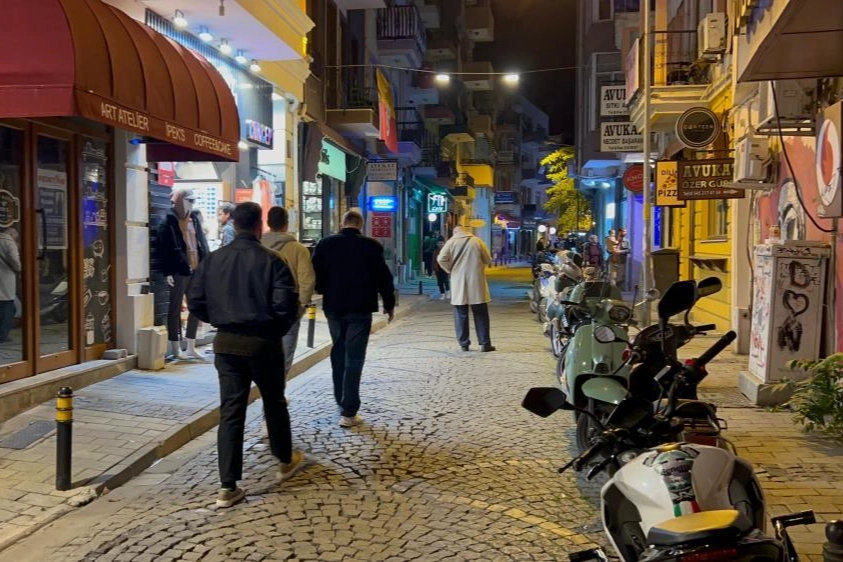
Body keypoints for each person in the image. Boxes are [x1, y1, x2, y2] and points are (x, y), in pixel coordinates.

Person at [186, 202, 303, 509]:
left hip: (227, 343)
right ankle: (284, 460)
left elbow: (195, 298)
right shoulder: (272, 260)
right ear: (258, 226)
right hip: (264, 343)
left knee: (231, 411)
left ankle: (227, 486)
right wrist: (273, 329)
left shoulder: (214, 260)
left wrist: (218, 318)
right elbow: (286, 306)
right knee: (274, 402)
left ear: (235, 225)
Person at [312, 210, 396, 428]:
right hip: (360, 308)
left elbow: (315, 273)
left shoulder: (325, 244)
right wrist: (389, 304)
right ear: (361, 224)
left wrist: (323, 289)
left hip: (334, 307)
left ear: (342, 223)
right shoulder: (371, 246)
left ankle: (340, 399)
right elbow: (384, 277)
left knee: (339, 351)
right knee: (355, 357)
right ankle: (349, 411)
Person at [262, 206, 316, 377]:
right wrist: (301, 307)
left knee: (262, 357)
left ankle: (266, 388)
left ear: (268, 223)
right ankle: (276, 389)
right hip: (288, 309)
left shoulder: (257, 245)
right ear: (286, 224)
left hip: (261, 310)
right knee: (283, 358)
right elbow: (307, 280)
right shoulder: (298, 249)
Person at [157, 188, 209, 360]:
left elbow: (201, 243)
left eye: (193, 201)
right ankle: (176, 347)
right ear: (179, 201)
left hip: (196, 269)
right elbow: (163, 248)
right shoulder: (169, 221)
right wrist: (168, 271)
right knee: (175, 308)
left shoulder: (194, 219)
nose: (191, 204)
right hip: (179, 270)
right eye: (189, 201)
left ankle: (191, 346)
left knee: (195, 307)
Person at [437, 225, 494, 352]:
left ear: (455, 232)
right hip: (476, 282)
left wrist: (450, 270)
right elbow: (487, 259)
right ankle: (485, 343)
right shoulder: (477, 241)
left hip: (458, 282)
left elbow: (441, 259)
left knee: (460, 313)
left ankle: (464, 344)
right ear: (466, 231)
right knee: (480, 313)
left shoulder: (451, 242)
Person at [0, 228, 20, 343]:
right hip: (6, 278)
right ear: (12, 234)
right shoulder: (8, 242)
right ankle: (3, 334)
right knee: (8, 307)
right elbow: (14, 259)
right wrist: (20, 268)